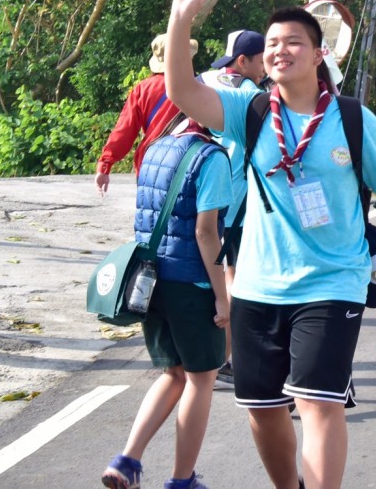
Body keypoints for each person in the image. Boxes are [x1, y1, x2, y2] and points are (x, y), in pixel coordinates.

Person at [162, 0, 376, 489]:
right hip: (257, 285)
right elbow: (181, 93)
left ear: (320, 55)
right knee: (263, 409)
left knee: (319, 404)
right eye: (272, 42)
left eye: (293, 41)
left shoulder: (355, 120)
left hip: (333, 282)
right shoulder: (247, 112)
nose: (280, 49)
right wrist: (180, 21)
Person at [101, 119, 232, 489]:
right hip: (192, 283)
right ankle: (182, 480)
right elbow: (205, 231)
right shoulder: (212, 157)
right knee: (201, 379)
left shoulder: (155, 148)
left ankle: (127, 460)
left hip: (150, 280)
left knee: (172, 374)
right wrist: (223, 296)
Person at [197, 29, 266, 388]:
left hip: (202, 194)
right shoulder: (255, 96)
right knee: (235, 278)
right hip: (238, 199)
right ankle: (229, 357)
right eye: (261, 57)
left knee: (211, 273)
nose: (266, 62)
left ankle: (209, 355)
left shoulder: (206, 81)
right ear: (245, 61)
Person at [95, 35, 198, 194]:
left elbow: (124, 130)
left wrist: (105, 165)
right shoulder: (199, 87)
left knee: (150, 217)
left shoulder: (142, 89)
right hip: (189, 162)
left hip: (150, 164)